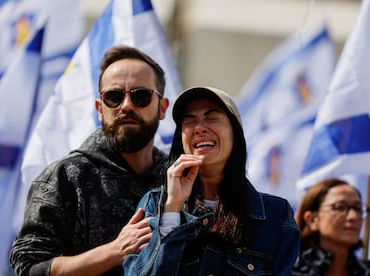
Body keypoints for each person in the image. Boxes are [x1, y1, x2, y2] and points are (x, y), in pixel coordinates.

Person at [9, 45, 170, 276]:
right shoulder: (64, 177)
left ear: (162, 107)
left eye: (140, 96)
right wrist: (114, 251)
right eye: (114, 97)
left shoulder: (176, 178)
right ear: (99, 109)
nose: (126, 105)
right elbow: (30, 268)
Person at [123, 86, 300, 275]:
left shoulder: (276, 215)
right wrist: (172, 209)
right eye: (189, 121)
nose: (199, 128)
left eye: (212, 117)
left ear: (235, 133)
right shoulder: (154, 205)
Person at [292, 178, 370, 275]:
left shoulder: (366, 271)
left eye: (358, 208)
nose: (353, 216)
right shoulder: (287, 271)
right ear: (312, 220)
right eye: (340, 207)